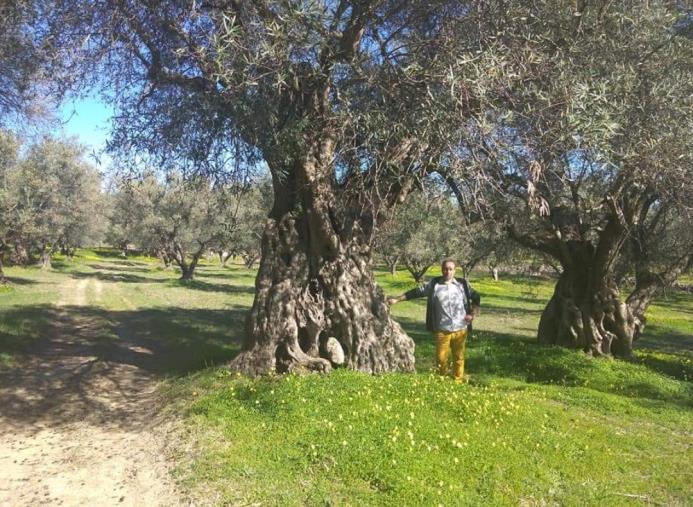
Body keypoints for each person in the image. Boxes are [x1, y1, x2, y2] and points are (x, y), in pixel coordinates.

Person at [388, 258, 480, 382]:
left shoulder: (462, 285)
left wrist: (472, 313)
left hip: (460, 328)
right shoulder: (434, 285)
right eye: (445, 269)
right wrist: (397, 299)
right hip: (442, 329)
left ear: (455, 271)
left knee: (459, 357)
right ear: (442, 270)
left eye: (450, 269)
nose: (447, 272)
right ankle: (442, 380)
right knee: (441, 358)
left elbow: (476, 297)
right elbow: (416, 292)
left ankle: (458, 381)